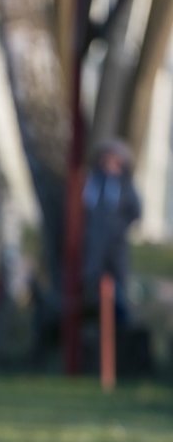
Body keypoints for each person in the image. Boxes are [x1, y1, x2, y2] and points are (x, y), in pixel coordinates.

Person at [83, 139, 142, 325]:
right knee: (94, 280)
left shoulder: (125, 184)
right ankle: (94, 318)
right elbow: (85, 207)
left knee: (118, 286)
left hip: (116, 245)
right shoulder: (94, 181)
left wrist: (119, 227)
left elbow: (136, 211)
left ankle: (120, 322)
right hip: (96, 243)